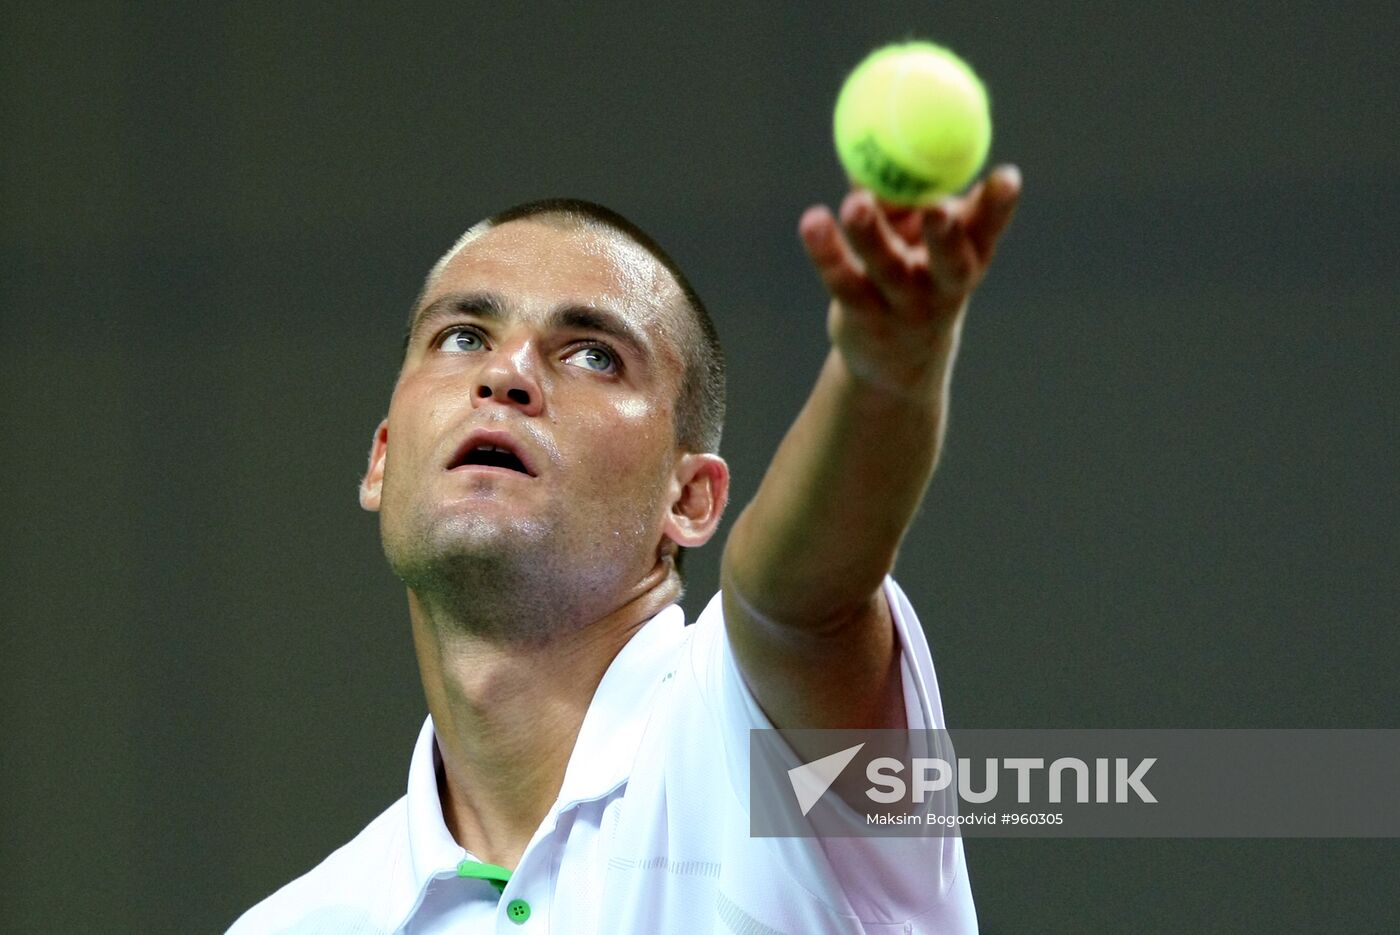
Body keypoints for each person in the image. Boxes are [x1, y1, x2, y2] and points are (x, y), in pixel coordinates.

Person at [229, 164, 1022, 934]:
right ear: (381, 457)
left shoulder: (751, 730)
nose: (507, 373)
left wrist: (882, 379)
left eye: (593, 353)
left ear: (691, 499)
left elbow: (800, 600)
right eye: (463, 335)